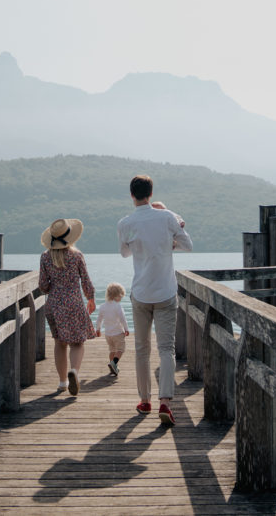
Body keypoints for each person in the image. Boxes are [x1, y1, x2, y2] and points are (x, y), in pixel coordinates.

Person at [117, 175, 192, 425]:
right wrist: (168, 243)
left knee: (141, 349)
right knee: (166, 349)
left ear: (131, 195)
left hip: (140, 293)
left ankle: (145, 400)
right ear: (151, 193)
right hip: (166, 292)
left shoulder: (125, 223)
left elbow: (125, 253)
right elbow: (187, 245)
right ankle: (165, 402)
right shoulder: (167, 217)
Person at [38, 218, 96, 396]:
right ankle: (75, 372)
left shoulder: (45, 257)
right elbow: (86, 281)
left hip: (54, 304)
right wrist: (91, 298)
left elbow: (43, 286)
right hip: (74, 302)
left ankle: (63, 382)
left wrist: (51, 285)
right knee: (77, 342)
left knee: (59, 343)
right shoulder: (77, 256)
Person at [95, 282, 130, 376]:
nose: (121, 298)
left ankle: (112, 367)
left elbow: (99, 320)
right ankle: (114, 363)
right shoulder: (118, 306)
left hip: (108, 334)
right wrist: (126, 329)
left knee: (112, 350)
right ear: (118, 296)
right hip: (118, 333)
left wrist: (97, 329)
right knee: (120, 350)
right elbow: (123, 319)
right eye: (121, 296)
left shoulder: (102, 306)